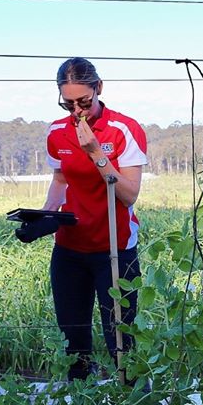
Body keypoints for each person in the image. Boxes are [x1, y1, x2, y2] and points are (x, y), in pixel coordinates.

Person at [42, 58, 148, 381]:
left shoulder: (124, 130)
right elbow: (61, 180)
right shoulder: (56, 132)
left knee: (121, 341)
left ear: (99, 89)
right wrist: (45, 215)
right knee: (73, 344)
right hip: (70, 248)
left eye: (84, 102)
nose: (76, 111)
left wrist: (96, 153)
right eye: (68, 103)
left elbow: (129, 194)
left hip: (114, 248)